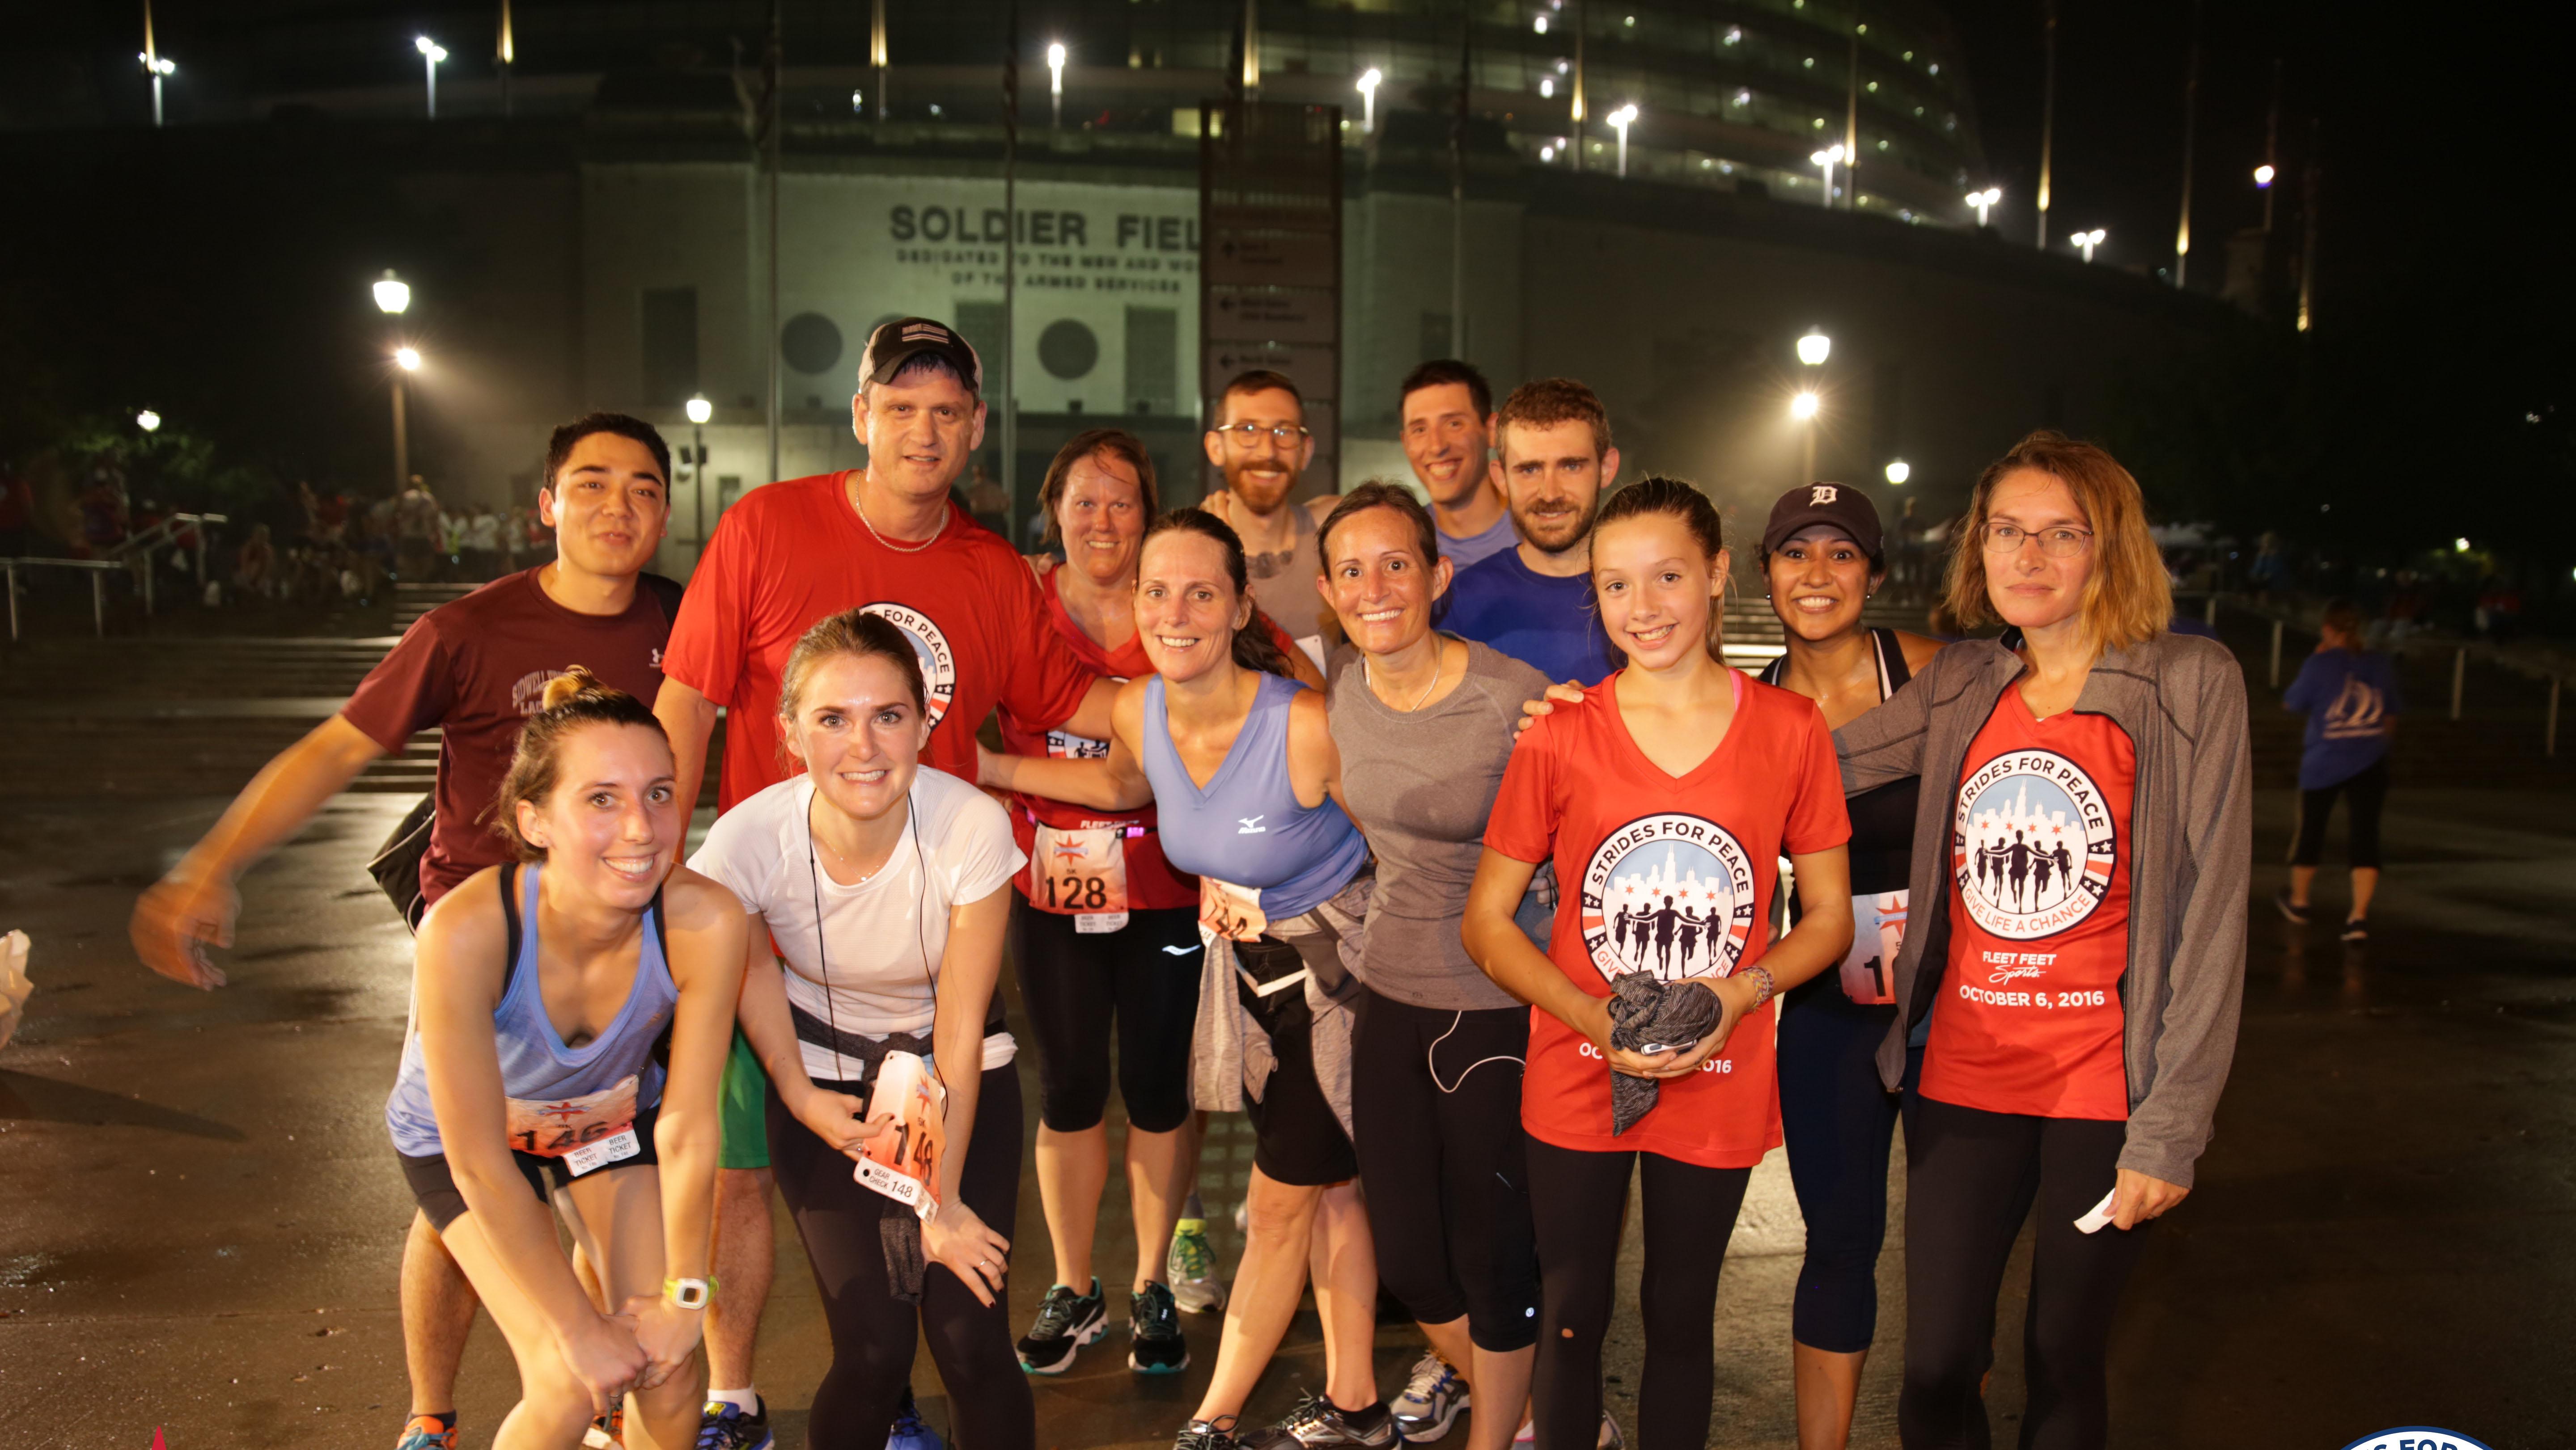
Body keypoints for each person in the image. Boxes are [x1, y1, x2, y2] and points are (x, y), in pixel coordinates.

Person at [129, 413, 683, 1450]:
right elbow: (337, 750)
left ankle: (600, 1388)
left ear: (665, 508)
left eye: (645, 487)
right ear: (546, 506)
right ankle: (433, 1412)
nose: (619, 505)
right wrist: (211, 862)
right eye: (593, 483)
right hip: (483, 953)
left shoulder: (684, 627)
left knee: (608, 1169)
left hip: (621, 944)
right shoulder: (467, 630)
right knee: (466, 1186)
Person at [652, 316, 1117, 1447]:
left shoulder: (992, 581)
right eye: (897, 406)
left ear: (974, 431)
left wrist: (1236, 704)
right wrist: (651, 872)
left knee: (960, 1326)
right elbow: (687, 698)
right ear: (859, 415)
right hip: (792, 989)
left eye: (945, 410)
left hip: (931, 1005)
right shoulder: (766, 529)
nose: (921, 429)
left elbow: (1086, 710)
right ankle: (732, 1386)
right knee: (849, 1308)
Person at [1833, 430, 2250, 1448]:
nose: (2026, 555)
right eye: (2006, 531)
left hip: (2101, 1091)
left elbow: (2210, 917)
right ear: (1975, 547)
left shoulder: (2186, 682)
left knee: (2059, 1361)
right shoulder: (1962, 682)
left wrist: (2168, 1129)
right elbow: (1805, 766)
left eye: (2061, 534)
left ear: (2110, 550)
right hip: (1962, 1075)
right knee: (1931, 1368)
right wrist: (1628, 720)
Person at [977, 511, 1387, 1450]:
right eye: (1156, 591)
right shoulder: (1138, 707)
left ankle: (1218, 1414)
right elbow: (1126, 787)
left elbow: (1399, 842)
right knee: (1332, 1196)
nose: (1175, 611)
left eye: (1202, 591)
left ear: (1241, 605)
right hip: (1250, 980)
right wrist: (992, 763)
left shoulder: (1305, 720)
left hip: (1331, 987)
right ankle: (1355, 1396)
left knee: (1287, 1199)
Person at [1464, 478, 1855, 1450]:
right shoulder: (1559, 730)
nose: (1643, 607)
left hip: (1718, 1066)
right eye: (1614, 586)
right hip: (1577, 1064)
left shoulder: (1790, 730)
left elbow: (1830, 919)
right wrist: (1592, 1019)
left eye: (1668, 576)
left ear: (1719, 574)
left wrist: (1737, 993)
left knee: (1682, 1312)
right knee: (1570, 1310)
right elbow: (1488, 921)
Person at [687, 611, 1035, 1450]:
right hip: (828, 1082)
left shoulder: (970, 825)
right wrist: (802, 1096)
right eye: (832, 718)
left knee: (970, 1340)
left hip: (957, 1073)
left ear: (924, 722)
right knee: (875, 1349)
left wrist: (940, 1199)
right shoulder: (747, 838)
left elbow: (958, 1024)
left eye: (888, 715)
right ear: (789, 733)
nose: (864, 745)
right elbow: (753, 966)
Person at [389, 670, 745, 1450]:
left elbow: (685, 1124)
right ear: (535, 818)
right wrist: (578, 1326)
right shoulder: (468, 932)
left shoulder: (707, 920)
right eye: (601, 799)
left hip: (603, 1126)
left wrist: (687, 1294)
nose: (643, 827)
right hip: (466, 1146)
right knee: (566, 1373)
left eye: (658, 793)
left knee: (668, 1359)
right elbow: (480, 1161)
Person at [1315, 482, 1552, 1450]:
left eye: (1397, 563)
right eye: (1353, 570)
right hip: (1387, 994)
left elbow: (1584, 835)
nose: (1376, 587)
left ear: (1438, 575)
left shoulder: (1512, 697)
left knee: (1496, 1258)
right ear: (1329, 590)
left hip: (1491, 1002)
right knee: (1414, 1261)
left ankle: (1500, 1436)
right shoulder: (1340, 689)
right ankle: (1546, 1413)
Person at [998, 430, 1208, 1377]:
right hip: (1048, 888)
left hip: (1167, 885)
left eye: (1123, 501)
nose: (1103, 520)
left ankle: (1153, 1280)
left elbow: (1140, 771)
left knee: (1161, 1090)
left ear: (1150, 514)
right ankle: (1075, 1285)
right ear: (1054, 510)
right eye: (1084, 500)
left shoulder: (1173, 604)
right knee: (1073, 1086)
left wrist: (1002, 765)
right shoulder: (1016, 602)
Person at [1752, 483, 1945, 1450]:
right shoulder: (1747, 704)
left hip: (1953, 1006)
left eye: (1840, 554)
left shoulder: (1937, 673)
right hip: (1830, 1005)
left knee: (1955, 1259)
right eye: (1796, 553)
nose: (1817, 575)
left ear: (1873, 571)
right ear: (1766, 571)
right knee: (1838, 1241)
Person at [1439, 379, 1623, 687]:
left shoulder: (1645, 600)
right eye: (1529, 469)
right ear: (1500, 477)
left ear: (1606, 468)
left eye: (1571, 466)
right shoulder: (1459, 603)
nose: (1550, 493)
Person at [2278, 597, 2399, 943]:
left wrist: (2318, 657)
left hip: (2325, 760)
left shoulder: (2321, 664)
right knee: (2366, 834)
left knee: (2311, 829)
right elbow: (2390, 714)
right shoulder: (2381, 663)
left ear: (2329, 630)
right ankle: (2358, 916)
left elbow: (2292, 702)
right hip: (2370, 760)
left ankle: (2300, 901)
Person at [1199, 369, 1337, 657]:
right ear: (1216, 447)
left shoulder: (1336, 529)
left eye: (1284, 432)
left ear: (1305, 451)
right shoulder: (1189, 551)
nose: (1267, 451)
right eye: (1247, 430)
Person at [1398, 361, 1516, 571]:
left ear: (1491, 431)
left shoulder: (1541, 536)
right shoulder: (1399, 546)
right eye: (1420, 430)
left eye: (1454, 424)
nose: (1436, 447)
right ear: (1406, 444)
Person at [397, 478, 443, 581]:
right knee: (426, 558)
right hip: (425, 533)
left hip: (409, 533)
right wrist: (435, 532)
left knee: (410, 559)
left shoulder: (407, 496)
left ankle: (414, 580)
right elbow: (434, 517)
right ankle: (424, 579)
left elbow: (402, 513)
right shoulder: (429, 498)